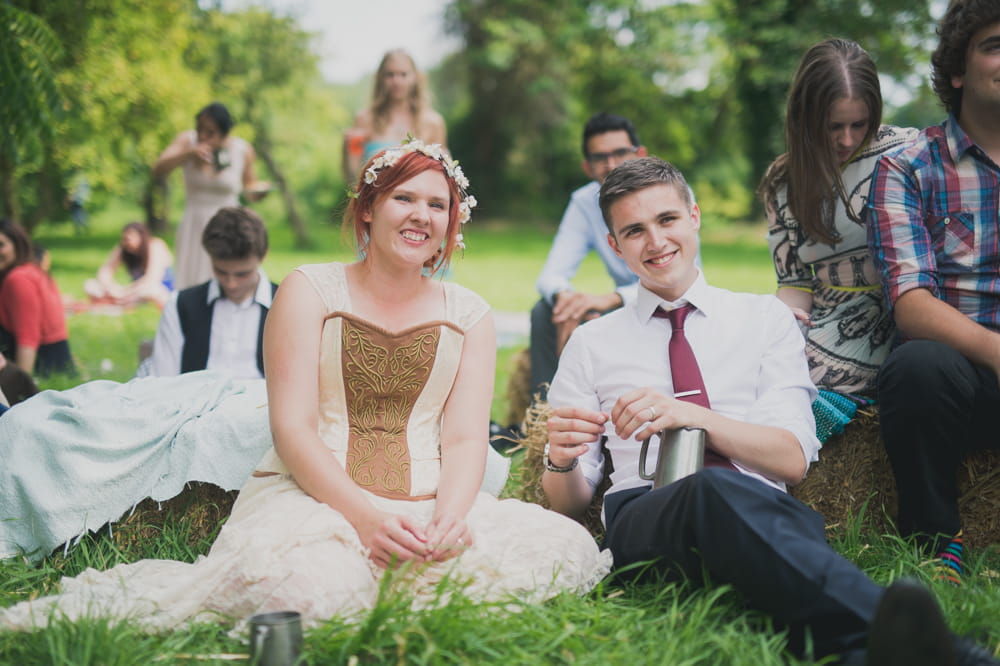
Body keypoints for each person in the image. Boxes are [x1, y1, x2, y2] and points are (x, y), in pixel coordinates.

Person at [0, 139, 610, 631]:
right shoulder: (310, 290)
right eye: (405, 198)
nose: (422, 215)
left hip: (430, 500)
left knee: (563, 551)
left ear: (452, 221)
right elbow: (290, 427)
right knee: (303, 594)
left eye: (437, 204)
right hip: (320, 500)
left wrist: (448, 519)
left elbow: (467, 439)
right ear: (369, 207)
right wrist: (368, 521)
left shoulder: (470, 313)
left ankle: (422, 558)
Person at [542, 157, 998, 666]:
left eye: (666, 220)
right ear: (614, 246)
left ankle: (860, 652)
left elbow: (791, 460)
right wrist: (559, 461)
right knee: (707, 491)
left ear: (693, 216)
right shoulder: (591, 342)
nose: (655, 241)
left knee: (739, 510)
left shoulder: (765, 320)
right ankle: (942, 652)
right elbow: (566, 501)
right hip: (647, 522)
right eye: (634, 231)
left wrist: (692, 418)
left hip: (765, 510)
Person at [866, 0, 1000, 585]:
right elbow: (913, 306)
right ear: (957, 71)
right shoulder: (909, 168)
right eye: (994, 46)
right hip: (964, 386)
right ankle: (936, 541)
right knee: (917, 366)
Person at [760, 39, 917, 408]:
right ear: (805, 116)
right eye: (833, 126)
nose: (847, 140)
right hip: (826, 317)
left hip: (902, 310)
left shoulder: (908, 151)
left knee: (798, 395)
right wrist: (782, 323)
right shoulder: (782, 181)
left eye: (858, 124)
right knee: (751, 375)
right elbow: (794, 282)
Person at [529, 112, 646, 399]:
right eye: (599, 157)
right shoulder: (584, 203)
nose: (611, 164)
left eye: (620, 153)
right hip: (621, 304)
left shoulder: (667, 192)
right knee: (545, 311)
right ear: (586, 167)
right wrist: (565, 300)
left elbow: (682, 279)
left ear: (640, 154)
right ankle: (545, 419)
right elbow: (552, 275)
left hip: (664, 303)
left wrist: (610, 299)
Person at [141, 207, 276, 380]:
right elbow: (163, 377)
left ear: (262, 256)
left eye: (242, 274)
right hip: (194, 403)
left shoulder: (285, 305)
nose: (231, 283)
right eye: (221, 272)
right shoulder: (181, 305)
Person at [152, 102, 268, 290]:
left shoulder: (242, 150)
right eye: (200, 129)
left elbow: (250, 190)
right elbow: (158, 169)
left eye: (210, 132)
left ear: (225, 133)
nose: (203, 136)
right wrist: (187, 155)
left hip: (229, 224)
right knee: (191, 279)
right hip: (194, 222)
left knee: (225, 275)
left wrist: (261, 192)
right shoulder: (187, 141)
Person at [342, 49, 447, 186]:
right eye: (390, 75)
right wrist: (346, 149)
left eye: (403, 74)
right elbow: (353, 178)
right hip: (374, 203)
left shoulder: (433, 123)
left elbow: (442, 176)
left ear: (415, 77)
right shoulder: (365, 119)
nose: (396, 81)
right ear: (381, 78)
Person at [0, 219, 75, 378]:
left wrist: (21, 387)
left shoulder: (19, 279)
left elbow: (28, 337)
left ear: (17, 245)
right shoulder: (32, 269)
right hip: (57, 362)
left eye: (1, 245)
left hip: (42, 366)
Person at [83, 222, 174, 308]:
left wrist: (124, 292)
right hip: (134, 293)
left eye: (130, 237)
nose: (127, 241)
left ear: (141, 237)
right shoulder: (124, 248)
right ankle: (117, 302)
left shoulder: (155, 246)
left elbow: (152, 278)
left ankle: (119, 303)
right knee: (91, 285)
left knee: (150, 290)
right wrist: (109, 288)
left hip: (158, 291)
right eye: (125, 238)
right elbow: (106, 270)